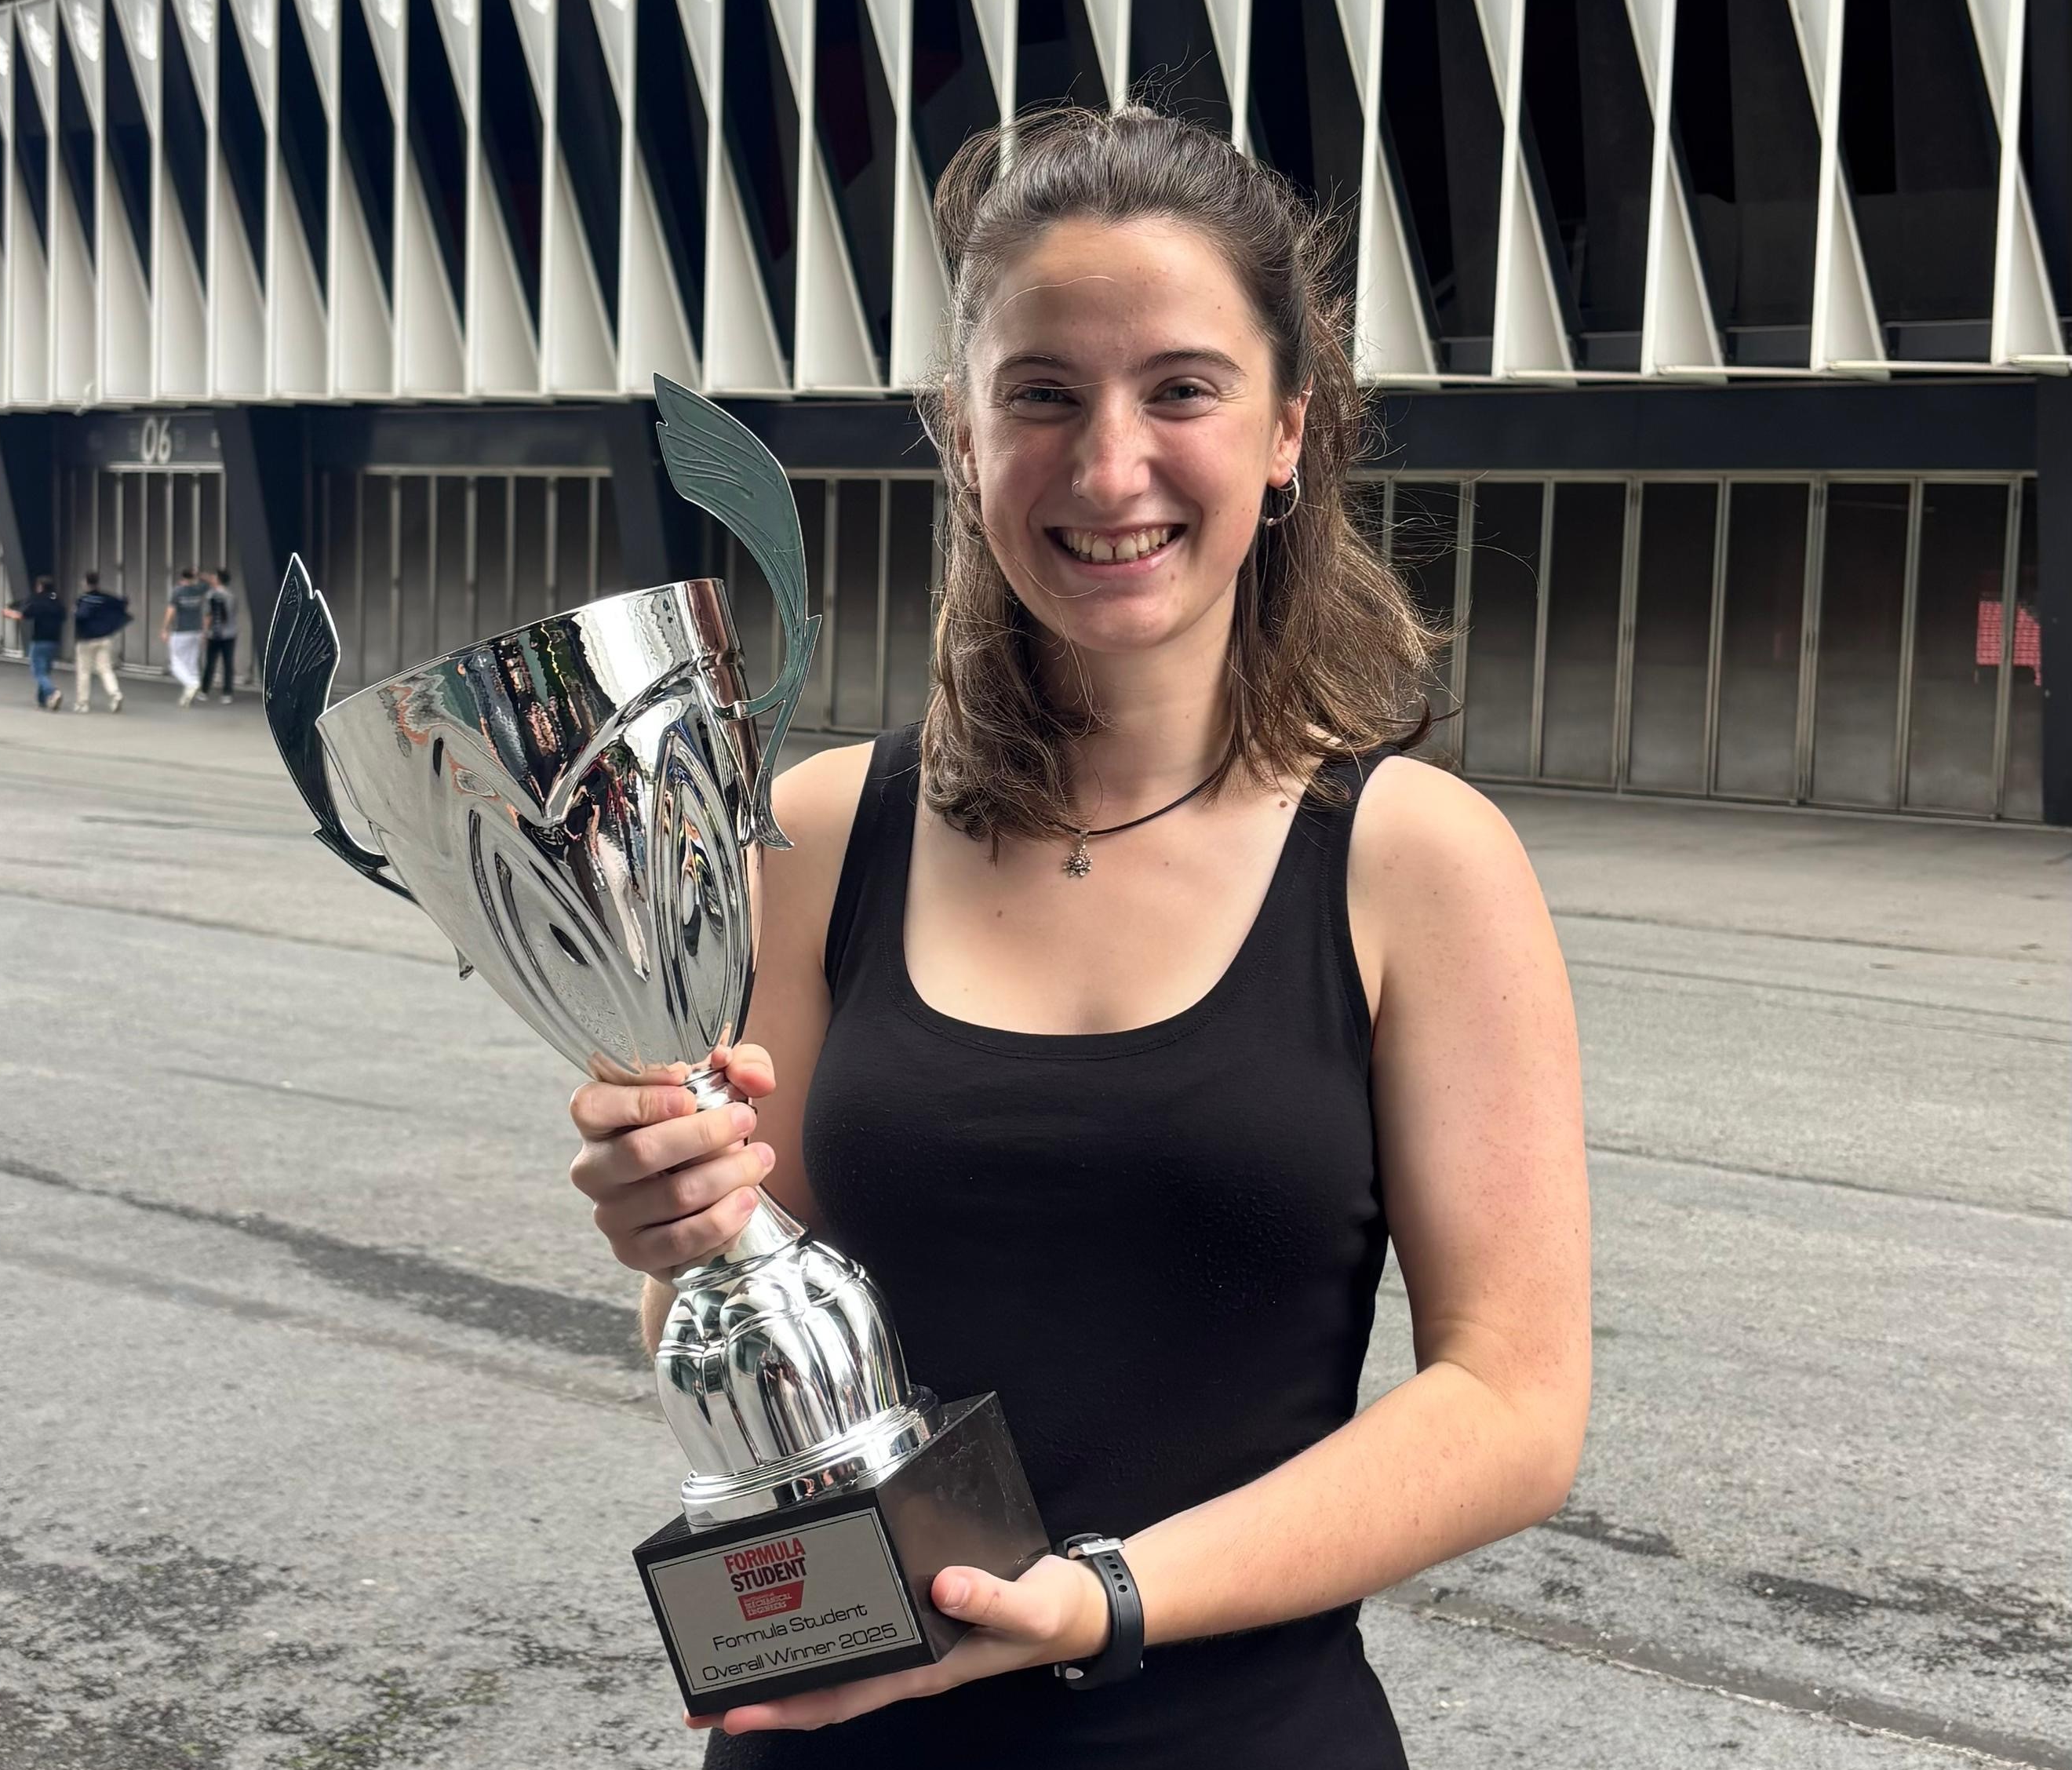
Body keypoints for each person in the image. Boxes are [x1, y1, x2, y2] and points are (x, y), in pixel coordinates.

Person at [568, 107, 1590, 1769]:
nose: (1112, 468)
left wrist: (1105, 1596)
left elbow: (1515, 1404)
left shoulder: (1417, 865)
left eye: (1182, 388)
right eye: (1042, 393)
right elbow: (743, 1310)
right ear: (963, 435)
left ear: (1288, 431)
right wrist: (678, 1232)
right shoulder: (818, 838)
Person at [0, 574, 67, 710]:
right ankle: (42, 700)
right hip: (54, 641)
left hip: (40, 640)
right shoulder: (57, 601)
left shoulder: (38, 600)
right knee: (45, 671)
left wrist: (8, 613)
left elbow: (24, 615)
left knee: (38, 672)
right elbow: (64, 616)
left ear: (40, 587)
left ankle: (53, 692)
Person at [71, 570, 130, 713]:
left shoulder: (83, 599)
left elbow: (81, 616)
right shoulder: (105, 598)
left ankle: (82, 703)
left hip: (86, 639)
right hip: (104, 638)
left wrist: (75, 612)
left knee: (84, 671)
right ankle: (115, 694)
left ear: (86, 582)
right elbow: (123, 602)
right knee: (105, 669)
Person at [159, 567, 207, 706]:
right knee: (192, 663)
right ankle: (191, 690)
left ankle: (192, 684)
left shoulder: (178, 591)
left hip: (180, 632)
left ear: (182, 578)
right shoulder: (199, 589)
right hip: (197, 632)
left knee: (175, 663)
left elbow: (171, 611)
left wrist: (164, 629)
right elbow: (211, 581)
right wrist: (200, 575)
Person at [198, 566, 239, 703]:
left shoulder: (211, 595)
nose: (212, 578)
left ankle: (204, 690)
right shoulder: (231, 595)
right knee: (228, 664)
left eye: (214, 577)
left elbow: (208, 616)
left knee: (210, 663)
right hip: (230, 634)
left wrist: (204, 632)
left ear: (218, 580)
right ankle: (227, 693)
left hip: (214, 634)